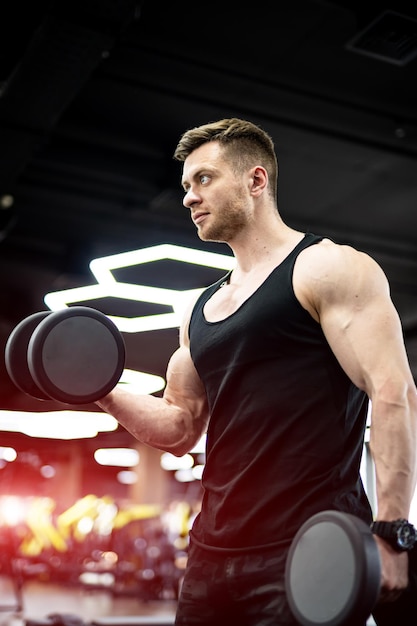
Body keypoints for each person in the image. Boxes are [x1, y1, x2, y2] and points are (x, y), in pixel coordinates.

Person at [96, 118, 417, 625]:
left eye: (203, 179)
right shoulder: (198, 309)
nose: (188, 197)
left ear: (256, 180)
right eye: (185, 185)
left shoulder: (326, 268)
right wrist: (103, 389)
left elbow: (393, 390)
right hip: (211, 554)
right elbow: (179, 427)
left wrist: (394, 531)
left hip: (311, 550)